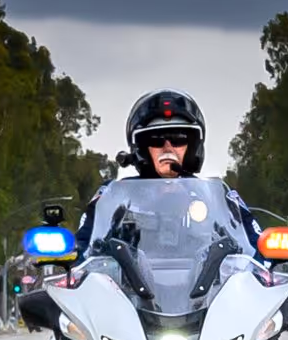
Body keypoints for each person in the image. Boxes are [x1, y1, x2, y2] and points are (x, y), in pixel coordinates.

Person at [75, 89, 267, 254]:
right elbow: (83, 249)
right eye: (156, 140)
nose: (167, 148)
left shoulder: (216, 195)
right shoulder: (115, 194)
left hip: (210, 294)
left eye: (178, 138)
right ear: (141, 148)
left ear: (192, 147)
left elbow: (254, 246)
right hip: (123, 293)